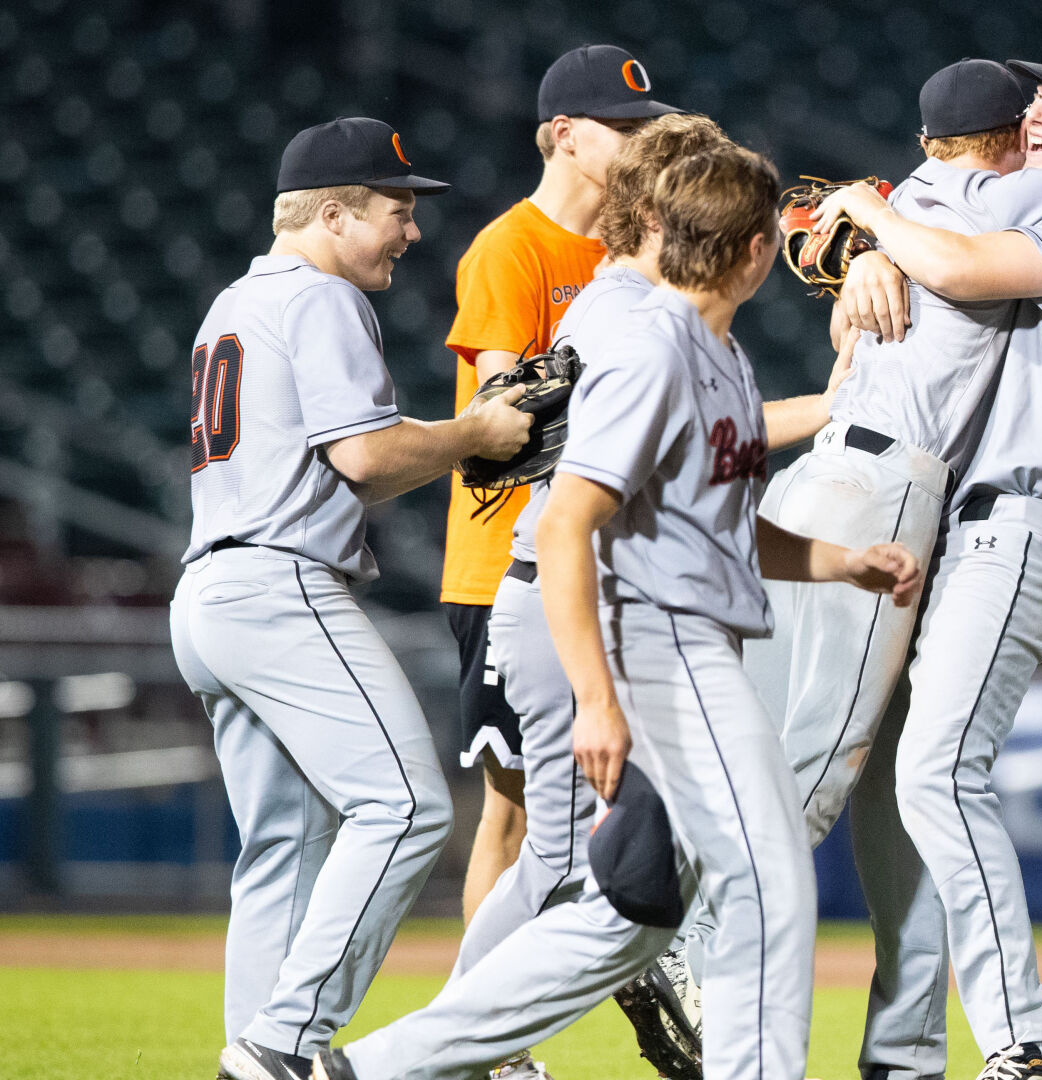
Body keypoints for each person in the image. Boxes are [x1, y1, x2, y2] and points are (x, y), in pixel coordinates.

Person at [314, 144, 920, 1080]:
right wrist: (597, 700)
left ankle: (368, 1069)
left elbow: (711, 524)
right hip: (655, 645)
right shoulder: (648, 344)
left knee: (621, 918)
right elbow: (566, 527)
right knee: (767, 884)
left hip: (690, 637)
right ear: (756, 252)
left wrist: (840, 561)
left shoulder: (711, 350)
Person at [804, 32, 1042, 1080]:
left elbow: (960, 265)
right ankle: (903, 1054)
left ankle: (1017, 1042)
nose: (1041, 109)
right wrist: (868, 259)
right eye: (1040, 94)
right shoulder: (1027, 199)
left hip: (1015, 529)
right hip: (930, 528)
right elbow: (932, 267)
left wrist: (875, 217)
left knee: (935, 772)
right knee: (890, 803)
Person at [463, 113, 857, 1080]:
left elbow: (703, 447)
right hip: (570, 596)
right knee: (556, 864)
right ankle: (461, 1053)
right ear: (656, 212)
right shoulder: (627, 317)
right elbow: (592, 503)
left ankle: (466, 1052)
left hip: (595, 594)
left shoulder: (651, 313)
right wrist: (834, 405)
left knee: (608, 866)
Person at [169, 117, 531, 1080]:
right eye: (395, 209)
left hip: (209, 590)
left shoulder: (232, 302)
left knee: (285, 842)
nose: (411, 231)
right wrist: (476, 432)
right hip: (279, 584)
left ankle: (256, 1052)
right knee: (408, 806)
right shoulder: (321, 296)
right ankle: (285, 1041)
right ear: (332, 212)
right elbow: (365, 458)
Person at [439, 43, 682, 925]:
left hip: (593, 563)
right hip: (504, 561)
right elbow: (510, 411)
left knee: (568, 809)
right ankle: (498, 1052)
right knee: (517, 814)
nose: (638, 142)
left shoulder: (632, 258)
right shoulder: (513, 247)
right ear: (564, 135)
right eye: (622, 129)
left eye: (645, 126)